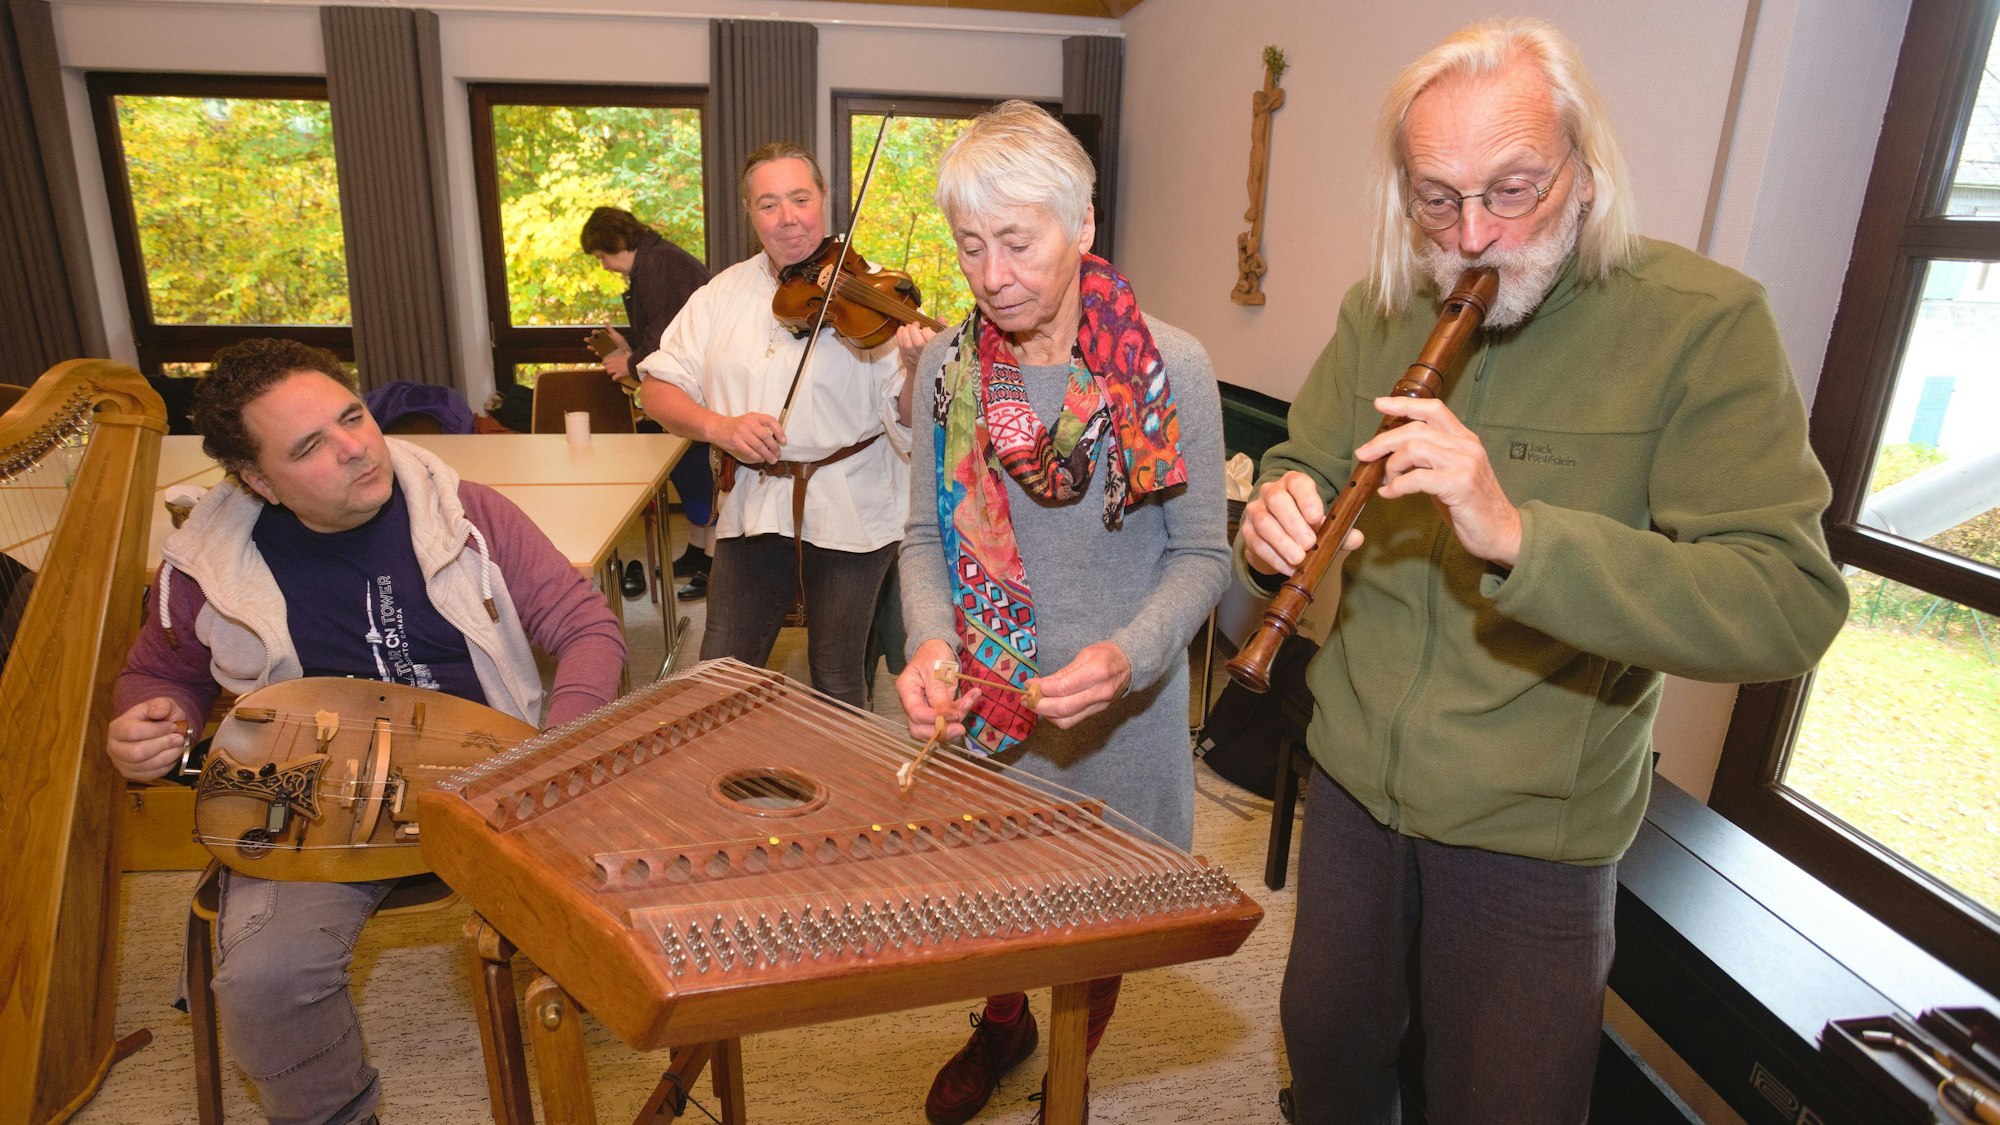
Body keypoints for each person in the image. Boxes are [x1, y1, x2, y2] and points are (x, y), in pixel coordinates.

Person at [1236, 19, 1849, 1123]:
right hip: (1354, 787)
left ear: (1585, 170)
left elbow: (1785, 602)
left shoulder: (1702, 325)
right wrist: (1275, 512)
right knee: (1326, 1062)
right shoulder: (1385, 304)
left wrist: (1519, 535)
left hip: (1534, 833)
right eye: (1436, 199)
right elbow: (1302, 462)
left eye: (1512, 190)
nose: (1473, 234)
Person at [105, 338, 626, 1125]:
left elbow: (585, 625)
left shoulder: (463, 511)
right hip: (319, 804)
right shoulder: (209, 562)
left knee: (654, 882)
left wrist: (557, 748)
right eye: (309, 446)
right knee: (265, 978)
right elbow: (159, 673)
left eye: (353, 417)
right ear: (258, 481)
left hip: (494, 778)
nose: (355, 447)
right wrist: (152, 717)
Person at [895, 101, 1230, 1125]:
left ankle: (1069, 1079)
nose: (990, 275)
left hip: (1120, 724)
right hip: (986, 713)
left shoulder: (1171, 366)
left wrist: (1128, 658)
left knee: (1096, 933)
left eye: (1016, 241)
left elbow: (1202, 555)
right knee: (990, 912)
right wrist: (929, 641)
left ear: (1082, 224)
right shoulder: (945, 369)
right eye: (969, 246)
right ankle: (1002, 1025)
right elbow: (922, 541)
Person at [637, 142, 910, 707]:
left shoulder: (871, 292)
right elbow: (656, 390)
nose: (788, 217)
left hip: (853, 505)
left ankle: (840, 765)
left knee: (837, 676)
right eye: (768, 204)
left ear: (824, 199)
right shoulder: (720, 294)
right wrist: (719, 427)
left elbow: (905, 417)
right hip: (754, 503)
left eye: (800, 198)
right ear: (749, 212)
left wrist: (916, 366)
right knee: (720, 670)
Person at [581, 205, 717, 598]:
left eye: (602, 256)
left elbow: (665, 338)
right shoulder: (656, 262)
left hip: (695, 386)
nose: (604, 265)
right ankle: (698, 551)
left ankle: (712, 564)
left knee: (699, 473)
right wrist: (627, 349)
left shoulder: (658, 265)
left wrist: (629, 361)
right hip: (688, 382)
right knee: (687, 470)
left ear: (616, 242)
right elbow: (661, 331)